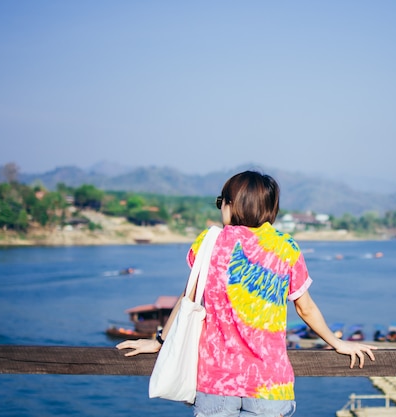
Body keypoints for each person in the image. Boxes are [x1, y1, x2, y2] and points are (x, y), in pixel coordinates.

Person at [117, 170, 376, 417]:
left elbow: (188, 299)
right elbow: (304, 308)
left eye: (222, 201)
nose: (220, 208)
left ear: (232, 204)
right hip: (269, 384)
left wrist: (159, 342)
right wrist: (337, 342)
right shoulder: (286, 247)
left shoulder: (209, 242)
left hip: (215, 383)